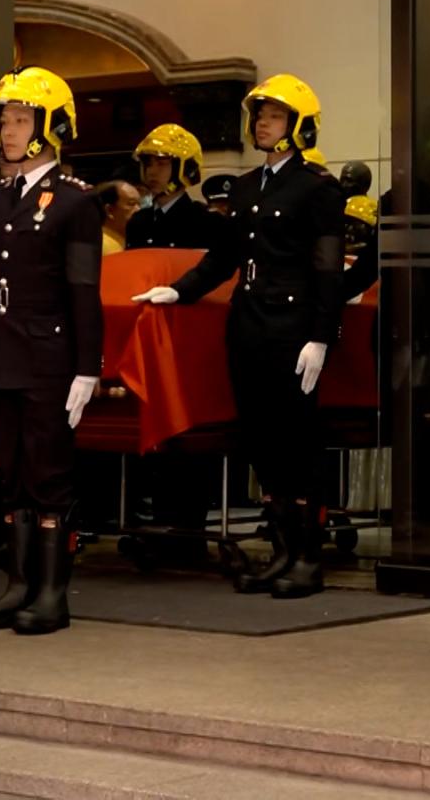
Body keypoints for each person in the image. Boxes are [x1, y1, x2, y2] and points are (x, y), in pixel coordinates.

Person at [133, 73, 344, 599]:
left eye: (274, 116)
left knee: (296, 439)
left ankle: (307, 558)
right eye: (260, 115)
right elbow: (223, 258)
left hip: (294, 327)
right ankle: (281, 552)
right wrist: (177, 292)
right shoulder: (248, 188)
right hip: (248, 323)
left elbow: (327, 269)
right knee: (262, 439)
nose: (263, 124)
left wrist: (321, 335)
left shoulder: (318, 188)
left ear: (299, 125)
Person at [0, 66, 103, 636]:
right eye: (4, 120)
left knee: (49, 476)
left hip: (48, 359)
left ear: (49, 127)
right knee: (12, 475)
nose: (8, 131)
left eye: (21, 120)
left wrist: (87, 368)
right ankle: (17, 584)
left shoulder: (74, 203)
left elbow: (84, 291)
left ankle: (51, 593)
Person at [125, 123, 222, 250]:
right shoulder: (137, 222)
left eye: (161, 163)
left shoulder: (206, 223)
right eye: (148, 164)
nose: (151, 172)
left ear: (185, 169)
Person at [95, 180, 140, 255]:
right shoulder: (103, 246)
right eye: (131, 204)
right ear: (110, 210)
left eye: (139, 204)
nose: (138, 209)